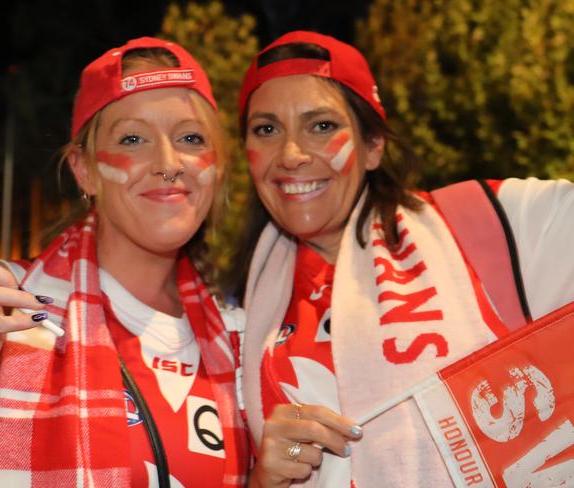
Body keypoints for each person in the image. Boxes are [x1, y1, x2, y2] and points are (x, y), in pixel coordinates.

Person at [235, 31, 574, 487]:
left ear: (373, 145)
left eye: (321, 126)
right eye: (267, 129)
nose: (292, 154)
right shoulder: (237, 317)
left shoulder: (488, 221)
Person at [0, 36, 249, 487]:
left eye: (191, 138)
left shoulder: (238, 340)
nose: (169, 163)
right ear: (85, 170)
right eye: (133, 139)